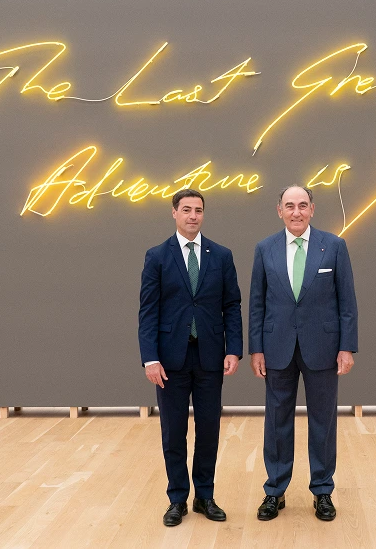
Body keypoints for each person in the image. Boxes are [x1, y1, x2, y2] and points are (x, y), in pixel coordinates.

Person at [248, 185, 358, 521]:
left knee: (323, 421)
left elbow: (347, 302)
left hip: (322, 349)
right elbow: (256, 303)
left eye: (303, 205)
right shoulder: (264, 248)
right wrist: (256, 348)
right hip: (277, 347)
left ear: (313, 209)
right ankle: (275, 492)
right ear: (278, 210)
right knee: (276, 421)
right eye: (289, 206)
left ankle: (322, 491)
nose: (296, 212)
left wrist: (346, 346)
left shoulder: (334, 246)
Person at [138, 188, 243, 527]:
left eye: (198, 210)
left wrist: (234, 349)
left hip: (211, 357)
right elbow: (148, 311)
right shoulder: (157, 256)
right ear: (174, 213)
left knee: (209, 430)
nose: (193, 216)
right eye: (186, 210)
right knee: (173, 432)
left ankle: (205, 497)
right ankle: (177, 499)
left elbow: (232, 306)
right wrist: (149, 358)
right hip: (169, 360)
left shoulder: (222, 255)